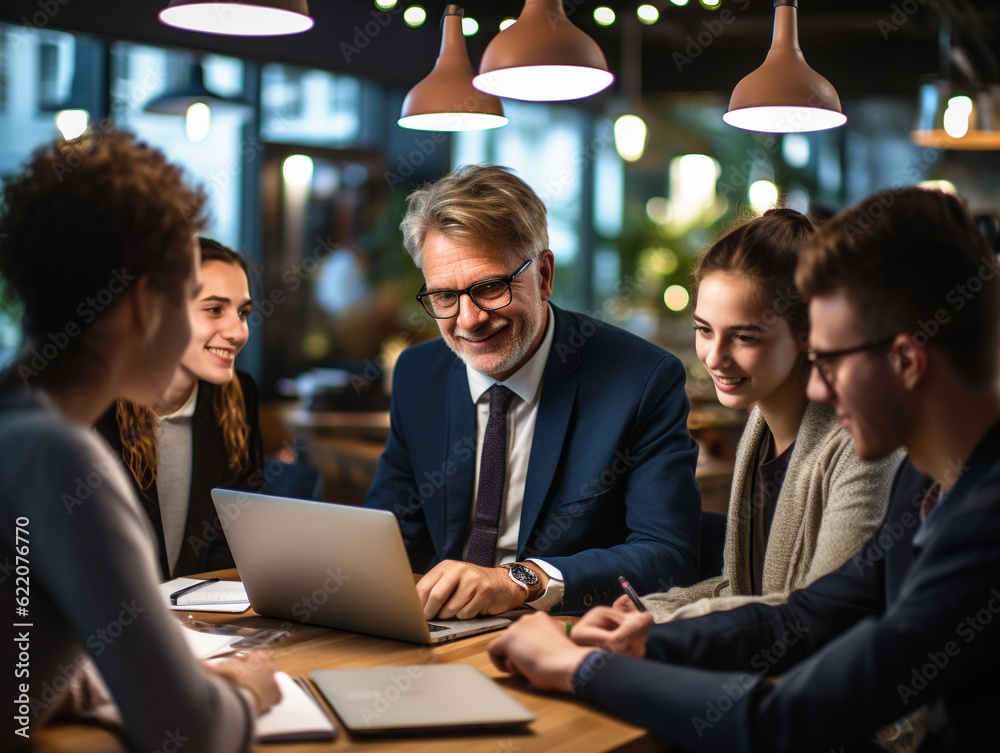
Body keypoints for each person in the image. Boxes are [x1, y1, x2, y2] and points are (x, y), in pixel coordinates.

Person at [488, 186, 1000, 752]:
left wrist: (580, 669)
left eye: (827, 360)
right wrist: (646, 642)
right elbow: (814, 613)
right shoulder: (925, 480)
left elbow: (790, 718)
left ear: (906, 359)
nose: (815, 386)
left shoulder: (985, 520)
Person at [0, 130, 279, 751]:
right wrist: (246, 692)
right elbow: (189, 732)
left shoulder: (17, 425)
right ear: (139, 306)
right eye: (190, 299)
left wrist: (80, 686)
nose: (226, 330)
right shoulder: (62, 458)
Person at [364, 164, 701, 618]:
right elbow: (390, 531)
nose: (468, 319)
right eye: (445, 296)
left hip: (562, 636)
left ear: (543, 275)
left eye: (489, 287)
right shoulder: (417, 374)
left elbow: (668, 555)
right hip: (437, 631)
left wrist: (521, 579)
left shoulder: (641, 381)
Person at [638, 209, 902, 622]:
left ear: (806, 333)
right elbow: (739, 590)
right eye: (704, 330)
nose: (715, 357)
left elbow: (818, 615)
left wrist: (660, 624)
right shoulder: (758, 430)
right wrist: (643, 613)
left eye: (744, 337)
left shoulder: (860, 449)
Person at [97, 237, 264, 579]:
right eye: (215, 309)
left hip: (203, 622)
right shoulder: (95, 406)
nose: (238, 331)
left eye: (243, 313)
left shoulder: (239, 396)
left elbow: (238, 546)